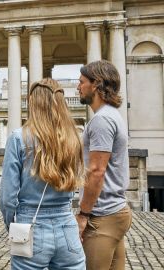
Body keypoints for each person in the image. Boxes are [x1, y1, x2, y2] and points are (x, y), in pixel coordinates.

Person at [0, 78, 86, 269]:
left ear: (32, 102)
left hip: (31, 224)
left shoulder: (18, 137)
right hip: (67, 224)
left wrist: (12, 226)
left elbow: (7, 198)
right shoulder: (74, 137)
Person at [76, 60, 132, 270]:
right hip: (116, 212)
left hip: (103, 216)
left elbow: (97, 172)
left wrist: (83, 215)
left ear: (96, 84)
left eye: (82, 82)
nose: (78, 87)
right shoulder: (112, 115)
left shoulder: (101, 120)